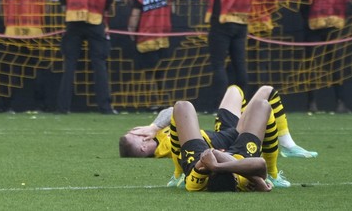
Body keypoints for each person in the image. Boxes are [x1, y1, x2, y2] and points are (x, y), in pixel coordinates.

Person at [119, 85, 316, 188]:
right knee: (265, 97)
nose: (136, 131)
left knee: (234, 90)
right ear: (143, 146)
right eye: (134, 136)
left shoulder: (158, 133)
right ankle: (279, 163)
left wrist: (153, 127)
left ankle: (177, 175)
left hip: (223, 135)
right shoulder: (164, 147)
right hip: (226, 144)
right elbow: (254, 166)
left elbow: (173, 110)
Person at [57, 0, 116, 114]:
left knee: (70, 63)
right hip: (96, 18)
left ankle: (63, 107)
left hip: (73, 18)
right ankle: (105, 107)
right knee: (99, 63)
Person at [171, 92, 275, 192]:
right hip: (239, 159)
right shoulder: (243, 182)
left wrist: (215, 166)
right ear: (236, 179)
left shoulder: (195, 184)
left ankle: (178, 174)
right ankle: (273, 174)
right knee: (262, 105)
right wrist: (255, 179)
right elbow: (261, 163)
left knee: (182, 106)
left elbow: (212, 153)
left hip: (202, 157)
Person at [204, 0, 254, 110]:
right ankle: (242, 105)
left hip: (222, 20)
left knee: (218, 64)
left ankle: (221, 106)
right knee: (240, 64)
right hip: (242, 21)